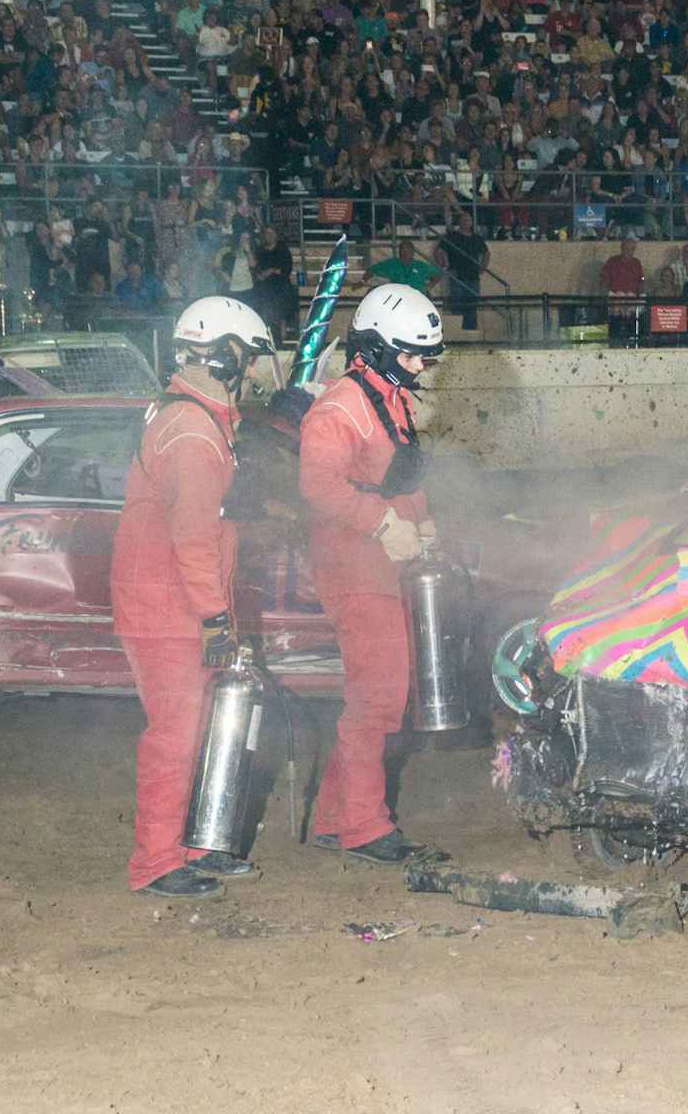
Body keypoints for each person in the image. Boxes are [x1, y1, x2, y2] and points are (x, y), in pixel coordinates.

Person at [111, 297, 281, 900]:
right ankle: (156, 862)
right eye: (254, 358)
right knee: (176, 734)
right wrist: (214, 617)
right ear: (227, 354)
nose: (260, 371)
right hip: (166, 605)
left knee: (199, 728)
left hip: (172, 597)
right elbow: (192, 536)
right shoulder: (193, 433)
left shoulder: (197, 418)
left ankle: (190, 846)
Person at [298, 284, 445, 866]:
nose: (421, 366)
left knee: (379, 692)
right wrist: (385, 525)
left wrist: (423, 522)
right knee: (378, 696)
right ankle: (363, 826)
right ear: (378, 348)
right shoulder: (339, 407)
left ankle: (338, 817)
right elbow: (319, 488)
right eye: (413, 355)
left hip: (383, 561)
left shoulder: (389, 395)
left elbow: (401, 477)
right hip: (352, 563)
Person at [438, 213, 489, 331]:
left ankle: (470, 331)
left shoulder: (476, 238)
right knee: (457, 303)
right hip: (457, 274)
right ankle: (458, 332)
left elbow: (486, 253)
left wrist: (483, 267)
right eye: (464, 220)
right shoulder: (452, 236)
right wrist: (444, 265)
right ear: (459, 222)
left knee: (472, 304)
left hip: (473, 275)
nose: (467, 222)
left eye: (469, 220)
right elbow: (440, 251)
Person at [367, 238, 443, 295]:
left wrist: (428, 287)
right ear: (399, 251)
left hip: (417, 297)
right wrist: (362, 281)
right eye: (402, 250)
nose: (405, 252)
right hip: (398, 296)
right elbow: (371, 270)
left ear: (412, 251)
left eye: (407, 250)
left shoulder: (420, 265)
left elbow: (437, 276)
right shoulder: (392, 263)